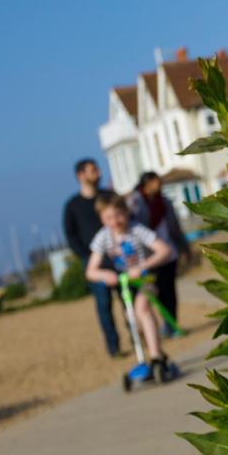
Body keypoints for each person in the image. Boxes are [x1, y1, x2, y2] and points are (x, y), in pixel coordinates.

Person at [85, 194, 174, 369]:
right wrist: (105, 275)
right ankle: (156, 352)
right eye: (108, 218)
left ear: (126, 212)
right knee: (133, 319)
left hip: (147, 278)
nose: (115, 221)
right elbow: (91, 271)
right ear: (102, 218)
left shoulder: (137, 230)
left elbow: (164, 250)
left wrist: (142, 266)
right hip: (125, 284)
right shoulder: (103, 237)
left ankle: (156, 358)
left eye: (119, 215)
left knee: (143, 308)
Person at [63, 158, 120, 356]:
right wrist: (86, 257)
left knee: (130, 297)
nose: (98, 173)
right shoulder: (72, 206)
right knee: (104, 305)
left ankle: (140, 337)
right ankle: (113, 347)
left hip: (118, 256)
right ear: (81, 175)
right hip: (94, 262)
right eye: (93, 170)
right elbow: (70, 235)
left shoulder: (109, 197)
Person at [127, 172, 190, 337]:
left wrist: (184, 247)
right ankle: (156, 327)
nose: (158, 184)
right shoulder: (135, 204)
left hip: (169, 253)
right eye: (155, 182)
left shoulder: (165, 202)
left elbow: (175, 227)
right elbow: (132, 228)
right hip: (150, 258)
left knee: (170, 292)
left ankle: (172, 325)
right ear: (146, 184)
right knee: (155, 293)